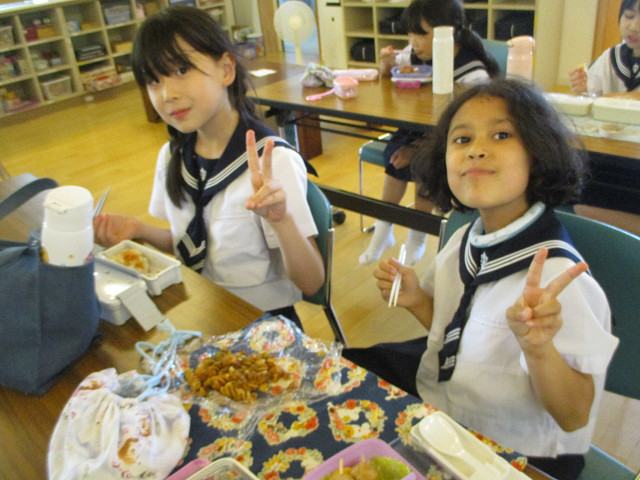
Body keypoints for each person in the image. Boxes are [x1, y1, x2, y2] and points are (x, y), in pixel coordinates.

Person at [345, 78, 619, 480]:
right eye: (461, 139)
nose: (476, 149)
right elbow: (453, 330)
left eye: (502, 135)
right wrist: (418, 299)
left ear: (537, 153)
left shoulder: (558, 279)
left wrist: (539, 349)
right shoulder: (463, 241)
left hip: (515, 451)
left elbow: (575, 415)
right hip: (448, 416)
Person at [93, 6, 324, 329]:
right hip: (199, 310)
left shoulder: (272, 161)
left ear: (226, 69)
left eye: (181, 70)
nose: (167, 94)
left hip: (263, 324)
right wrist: (138, 230)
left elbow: (312, 282)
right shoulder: (171, 157)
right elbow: (191, 243)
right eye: (153, 80)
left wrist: (281, 222)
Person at [359, 0, 500, 266]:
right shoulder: (415, 54)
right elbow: (394, 71)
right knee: (396, 156)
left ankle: (417, 236)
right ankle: (383, 229)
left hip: (454, 137)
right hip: (418, 128)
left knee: (425, 162)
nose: (414, 42)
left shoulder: (472, 72)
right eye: (410, 34)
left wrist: (417, 148)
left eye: (421, 34)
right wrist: (386, 65)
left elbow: (470, 123)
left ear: (449, 31)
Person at [568, 0, 640, 97]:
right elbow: (593, 93)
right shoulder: (611, 57)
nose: (634, 27)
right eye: (629, 16)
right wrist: (585, 90)